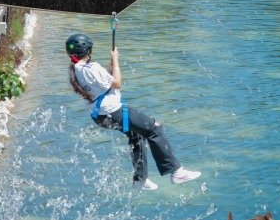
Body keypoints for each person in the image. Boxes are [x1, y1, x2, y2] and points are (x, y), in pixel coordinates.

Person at [65, 32, 201, 190]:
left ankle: (140, 179)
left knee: (136, 134)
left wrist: (110, 67)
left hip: (100, 117)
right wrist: (115, 61)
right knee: (154, 128)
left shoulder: (74, 71)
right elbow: (117, 83)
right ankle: (176, 172)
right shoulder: (92, 67)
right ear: (89, 50)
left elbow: (100, 83)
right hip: (114, 111)